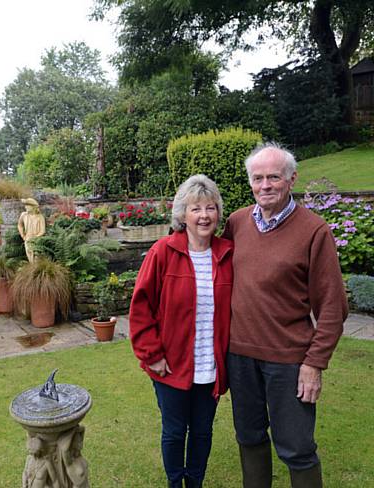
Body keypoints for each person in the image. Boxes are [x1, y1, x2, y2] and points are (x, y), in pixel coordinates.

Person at [222, 142, 347, 488]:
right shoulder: (236, 223)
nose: (265, 185)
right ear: (250, 182)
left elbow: (333, 307)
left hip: (289, 361)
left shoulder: (314, 230)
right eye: (258, 178)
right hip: (240, 357)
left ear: (292, 179)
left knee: (296, 448)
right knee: (249, 437)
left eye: (274, 177)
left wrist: (314, 364)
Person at [130, 175, 233, 488]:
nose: (204, 215)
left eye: (211, 208)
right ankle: (176, 483)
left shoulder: (227, 254)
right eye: (196, 209)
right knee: (175, 432)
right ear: (183, 215)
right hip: (171, 365)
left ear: (218, 213)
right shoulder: (163, 252)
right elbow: (140, 308)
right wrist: (153, 356)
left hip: (210, 366)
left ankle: (195, 482)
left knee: (203, 431)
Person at [17, 197, 46, 262]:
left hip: (37, 240)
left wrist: (35, 238)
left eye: (27, 205)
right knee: (29, 255)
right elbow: (19, 225)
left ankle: (36, 269)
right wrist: (22, 235)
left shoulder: (40, 217)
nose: (25, 207)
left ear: (33, 207)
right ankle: (31, 268)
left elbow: (42, 231)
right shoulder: (24, 215)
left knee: (36, 257)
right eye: (25, 205)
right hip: (27, 239)